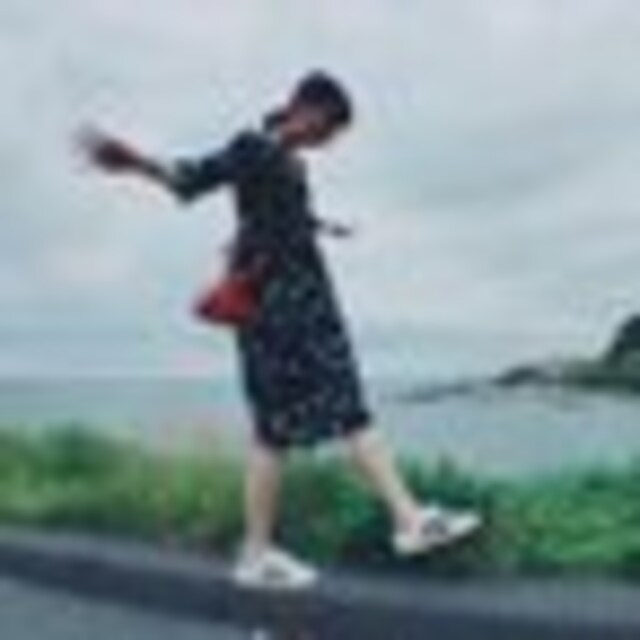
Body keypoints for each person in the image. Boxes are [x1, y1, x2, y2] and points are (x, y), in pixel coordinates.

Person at [80, 71, 481, 590]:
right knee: (324, 415)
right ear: (306, 109)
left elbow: (274, 215)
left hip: (297, 307)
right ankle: (399, 523)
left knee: (291, 427)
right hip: (281, 312)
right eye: (330, 128)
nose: (330, 141)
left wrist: (321, 225)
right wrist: (135, 163)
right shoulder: (254, 146)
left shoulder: (287, 160)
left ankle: (281, 547)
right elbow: (192, 176)